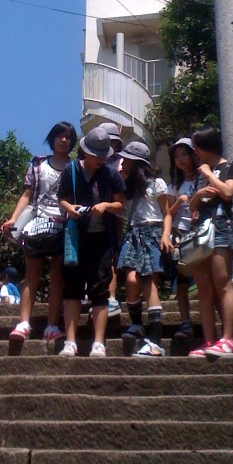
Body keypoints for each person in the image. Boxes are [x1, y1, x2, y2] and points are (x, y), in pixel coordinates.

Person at [2, 122, 77, 344]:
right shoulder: (38, 164)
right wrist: (14, 219)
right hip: (37, 222)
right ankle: (24, 323)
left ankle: (51, 326)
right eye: (60, 136)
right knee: (32, 273)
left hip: (64, 224)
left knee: (57, 277)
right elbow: (27, 194)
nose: (64, 140)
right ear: (52, 138)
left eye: (68, 137)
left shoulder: (75, 167)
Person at [57, 127, 125, 358]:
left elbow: (120, 206)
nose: (100, 159)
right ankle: (70, 341)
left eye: (103, 155)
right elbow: (61, 199)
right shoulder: (71, 171)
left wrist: (105, 206)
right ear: (85, 152)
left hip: (102, 239)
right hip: (76, 238)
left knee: (100, 289)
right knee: (72, 290)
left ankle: (99, 342)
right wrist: (70, 209)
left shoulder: (110, 174)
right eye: (96, 155)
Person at [187, 125, 233, 358]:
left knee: (222, 282)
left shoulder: (230, 166)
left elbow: (228, 193)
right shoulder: (199, 173)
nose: (195, 152)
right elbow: (190, 209)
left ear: (206, 146)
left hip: (220, 229)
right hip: (200, 232)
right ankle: (209, 340)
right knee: (204, 289)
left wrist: (209, 174)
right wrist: (198, 195)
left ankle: (228, 339)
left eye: (197, 147)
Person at [117, 141, 173, 357]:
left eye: (127, 159)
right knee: (131, 280)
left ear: (137, 162)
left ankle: (155, 341)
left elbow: (166, 212)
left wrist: (166, 235)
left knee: (150, 284)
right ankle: (137, 323)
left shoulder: (156, 183)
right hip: (133, 234)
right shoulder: (125, 187)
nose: (123, 162)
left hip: (152, 232)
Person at [167, 137, 198, 339]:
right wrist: (179, 202)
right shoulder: (175, 185)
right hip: (180, 233)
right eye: (176, 156)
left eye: (184, 154)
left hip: (199, 232)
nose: (180, 159)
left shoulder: (202, 178)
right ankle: (185, 321)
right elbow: (168, 212)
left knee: (206, 279)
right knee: (182, 282)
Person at [100, 121, 124, 317]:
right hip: (92, 215)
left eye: (112, 142)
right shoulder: (89, 161)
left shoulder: (121, 163)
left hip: (114, 215)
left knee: (111, 257)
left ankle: (111, 297)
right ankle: (95, 294)